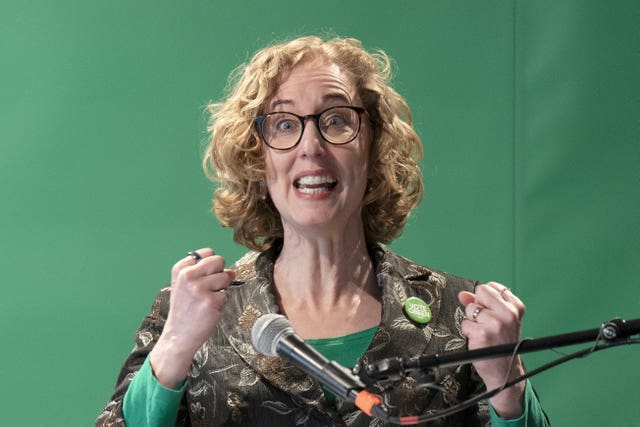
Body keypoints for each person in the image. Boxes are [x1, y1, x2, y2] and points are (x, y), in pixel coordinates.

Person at [97, 36, 548, 426]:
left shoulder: (460, 318)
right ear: (259, 160)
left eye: (336, 120)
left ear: (373, 146)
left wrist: (508, 388)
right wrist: (173, 348)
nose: (311, 147)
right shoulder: (192, 315)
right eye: (285, 124)